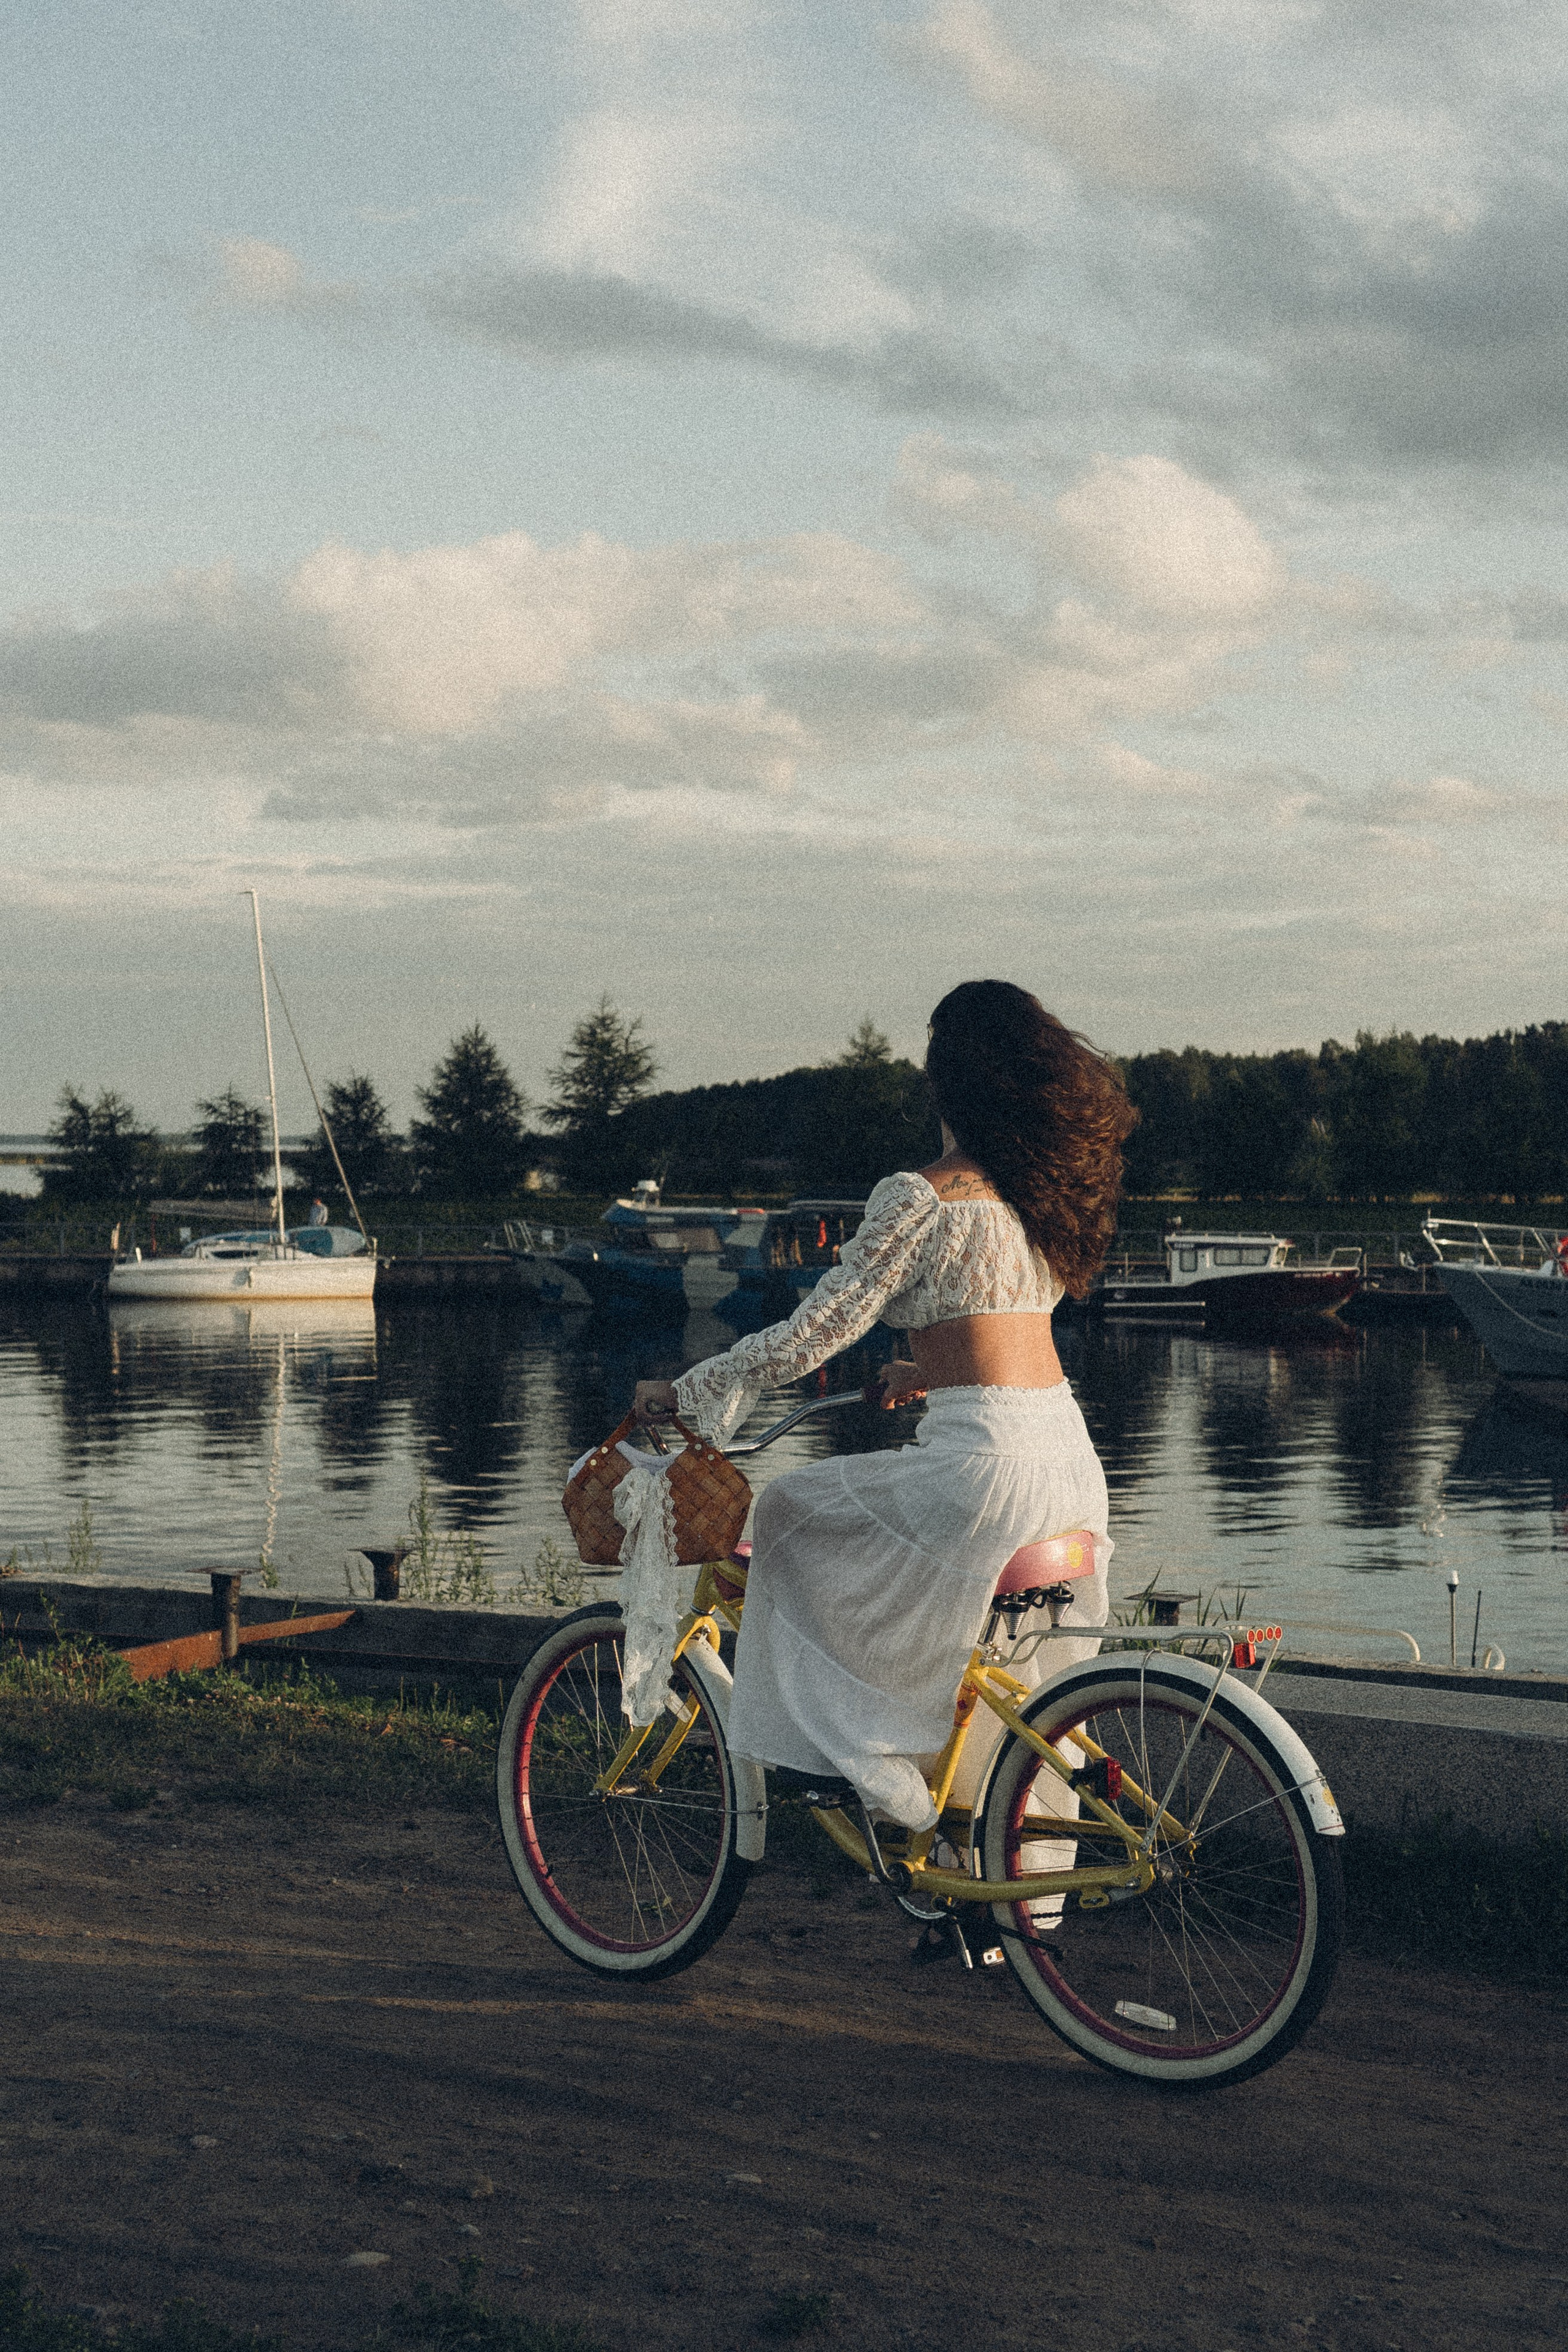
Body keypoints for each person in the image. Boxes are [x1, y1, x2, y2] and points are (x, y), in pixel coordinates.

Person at [633, 979, 1138, 1832]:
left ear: (944, 1081)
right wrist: (926, 1370)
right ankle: (985, 1880)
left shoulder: (922, 1194)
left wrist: (682, 1392)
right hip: (1068, 1463)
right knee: (1006, 1676)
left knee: (788, 1510)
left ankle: (871, 1764)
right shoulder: (1037, 1198)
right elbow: (997, 1331)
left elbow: (806, 1340)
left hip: (982, 1472)